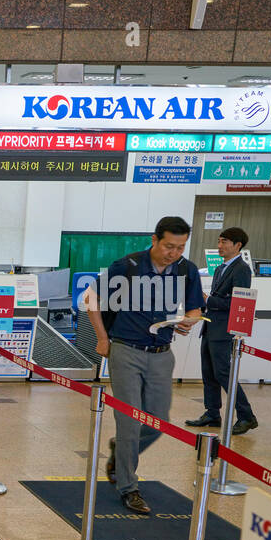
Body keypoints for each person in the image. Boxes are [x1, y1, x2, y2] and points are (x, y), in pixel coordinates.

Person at [87, 216, 205, 515]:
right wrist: (102, 338)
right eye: (169, 246)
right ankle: (128, 487)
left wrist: (189, 320)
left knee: (158, 421)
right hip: (126, 351)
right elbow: (91, 299)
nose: (173, 253)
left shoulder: (187, 270)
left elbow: (195, 307)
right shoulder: (127, 266)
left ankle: (120, 451)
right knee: (130, 421)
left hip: (162, 353)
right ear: (154, 240)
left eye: (180, 247)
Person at [186, 227, 258, 436]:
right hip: (210, 326)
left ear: (238, 245)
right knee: (208, 372)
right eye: (219, 241)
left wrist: (209, 299)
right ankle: (212, 413)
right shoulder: (220, 269)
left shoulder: (242, 269)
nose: (219, 246)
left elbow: (238, 303)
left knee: (223, 373)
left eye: (224, 242)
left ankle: (246, 416)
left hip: (224, 330)